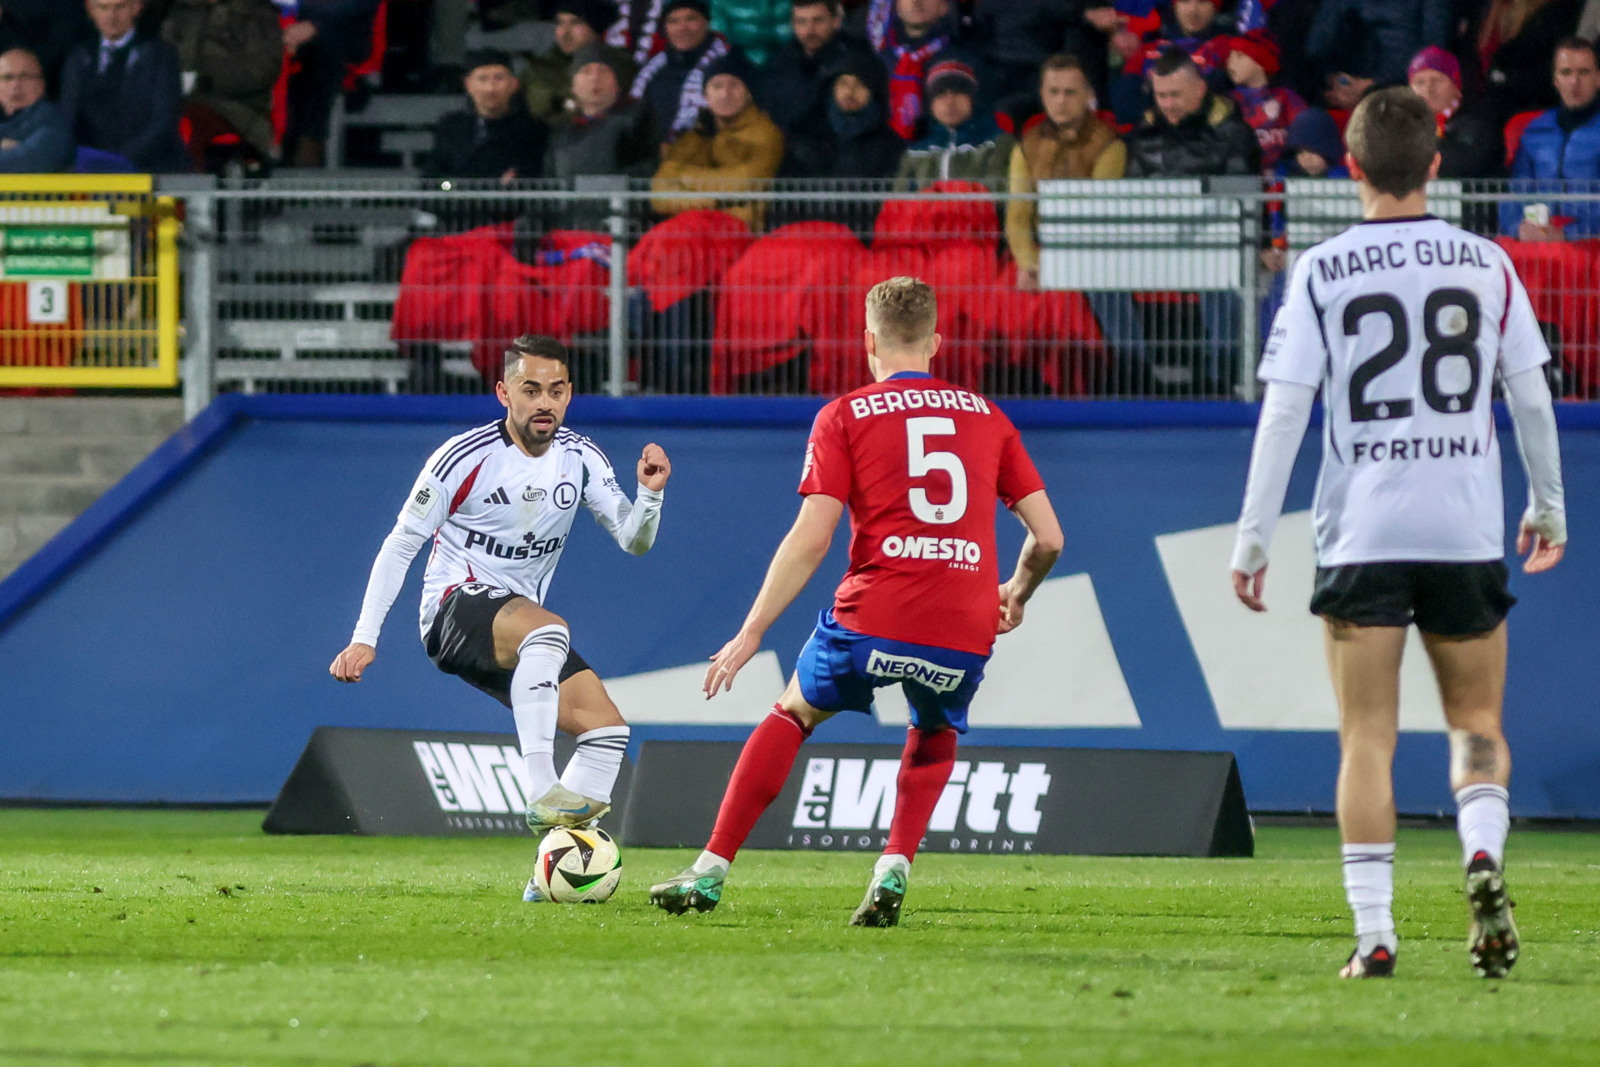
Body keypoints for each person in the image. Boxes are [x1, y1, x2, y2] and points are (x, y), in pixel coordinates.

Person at [1231, 87, 1568, 979]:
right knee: (1475, 720)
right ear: (1435, 165)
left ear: (1349, 168)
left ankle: (1376, 933)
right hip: (1462, 528)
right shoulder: (1488, 262)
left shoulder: (1322, 268)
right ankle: (1481, 852)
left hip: (1362, 531)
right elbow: (1531, 395)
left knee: (1367, 737)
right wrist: (1549, 505)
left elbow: (1286, 413)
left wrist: (1254, 536)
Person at [649, 276, 1064, 925]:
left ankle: (709, 871)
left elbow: (812, 537)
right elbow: (1049, 538)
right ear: (937, 341)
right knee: (932, 728)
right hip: (963, 622)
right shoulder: (990, 418)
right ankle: (895, 865)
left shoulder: (844, 414)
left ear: (867, 339)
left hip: (874, 615)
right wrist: (1015, 592)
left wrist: (753, 629)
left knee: (792, 713)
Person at [329, 335, 673, 902]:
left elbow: (634, 542)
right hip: (451, 610)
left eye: (556, 391)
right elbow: (400, 545)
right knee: (548, 631)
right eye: (530, 389)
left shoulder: (582, 458)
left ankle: (551, 877)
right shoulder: (464, 457)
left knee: (607, 730)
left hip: (516, 631)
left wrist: (650, 495)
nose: (545, 402)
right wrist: (365, 637)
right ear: (503, 392)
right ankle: (541, 788)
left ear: (569, 395)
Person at [1008, 54, 1126, 289]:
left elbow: (1099, 217)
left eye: (1069, 92)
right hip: (1037, 254)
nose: (1060, 100)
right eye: (1053, 92)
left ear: (1089, 95)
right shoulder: (1026, 146)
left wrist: (1055, 267)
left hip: (1089, 257)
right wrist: (1029, 263)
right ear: (1042, 94)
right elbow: (1018, 215)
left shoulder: (1109, 146)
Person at [651, 51, 783, 229]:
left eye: (734, 85)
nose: (725, 94)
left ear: (750, 94)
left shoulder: (767, 133)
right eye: (717, 86)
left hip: (744, 234)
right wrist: (712, 203)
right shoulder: (696, 135)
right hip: (693, 232)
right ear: (705, 96)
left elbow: (747, 182)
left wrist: (684, 176)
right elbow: (659, 196)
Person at [59, 0, 190, 173]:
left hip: (150, 170)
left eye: (119, 7)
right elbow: (68, 119)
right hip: (90, 173)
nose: (111, 16)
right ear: (90, 10)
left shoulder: (161, 56)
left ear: (136, 7)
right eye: (103, 7)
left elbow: (164, 121)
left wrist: (120, 161)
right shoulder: (77, 58)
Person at [161, 0, 284, 173]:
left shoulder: (257, 13)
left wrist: (203, 79)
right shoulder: (178, 12)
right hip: (178, 107)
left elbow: (262, 72)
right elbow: (161, 63)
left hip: (240, 115)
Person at [1501, 37, 1600, 238]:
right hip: (1540, 244)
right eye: (1566, 72)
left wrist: (1568, 234)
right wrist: (1518, 228)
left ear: (1598, 78)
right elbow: (1517, 191)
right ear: (1555, 80)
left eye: (1583, 72)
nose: (1574, 81)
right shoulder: (1534, 130)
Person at [758, 0, 878, 152]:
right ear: (793, 25)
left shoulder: (858, 59)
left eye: (818, 20)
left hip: (847, 154)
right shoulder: (779, 63)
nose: (810, 30)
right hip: (790, 157)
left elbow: (871, 116)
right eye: (801, 22)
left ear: (836, 21)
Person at [282, 0, 383, 168]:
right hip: (286, 39)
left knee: (322, 55)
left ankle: (308, 150)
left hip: (342, 51)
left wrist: (314, 25)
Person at [428, 49, 549, 181]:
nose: (490, 88)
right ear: (468, 85)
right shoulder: (451, 127)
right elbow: (434, 176)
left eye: (498, 78)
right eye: (482, 79)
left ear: (514, 84)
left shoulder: (532, 129)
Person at [895, 55, 1013, 186]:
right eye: (941, 93)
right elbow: (900, 200)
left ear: (972, 99)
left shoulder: (997, 143)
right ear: (931, 104)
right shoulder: (916, 152)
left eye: (958, 91)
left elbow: (998, 193)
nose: (949, 101)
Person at [547, 43, 656, 183]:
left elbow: (646, 168)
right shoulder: (560, 130)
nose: (595, 78)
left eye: (603, 70)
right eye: (586, 71)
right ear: (573, 85)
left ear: (616, 84)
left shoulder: (636, 118)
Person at [629, 0, 731, 144]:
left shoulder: (728, 70)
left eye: (691, 19)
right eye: (673, 21)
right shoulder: (652, 73)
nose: (682, 28)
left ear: (707, 23)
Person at [521, 0, 635, 122]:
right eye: (559, 23)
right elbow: (540, 108)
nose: (565, 33)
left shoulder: (620, 63)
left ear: (595, 28)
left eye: (575, 22)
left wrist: (569, 102)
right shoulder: (539, 69)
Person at [1407, 46, 1503, 180]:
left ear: (1456, 86)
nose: (1428, 89)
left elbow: (1469, 164)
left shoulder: (1480, 121)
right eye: (1419, 82)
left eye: (1437, 80)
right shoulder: (1400, 125)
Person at [873, 0, 960, 139]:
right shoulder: (876, 60)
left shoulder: (959, 61)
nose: (916, 2)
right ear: (897, 7)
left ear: (944, 6)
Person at [1223, 31, 1304, 174]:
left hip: (1283, 175)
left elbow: (1303, 134)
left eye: (1239, 57)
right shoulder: (1230, 100)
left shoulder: (1285, 97)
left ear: (1260, 63)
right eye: (1230, 56)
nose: (1230, 63)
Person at [0, 47, 72, 173]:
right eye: (8, 77)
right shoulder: (7, 122)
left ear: (41, 86)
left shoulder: (52, 121)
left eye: (25, 77)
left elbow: (23, 162)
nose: (16, 85)